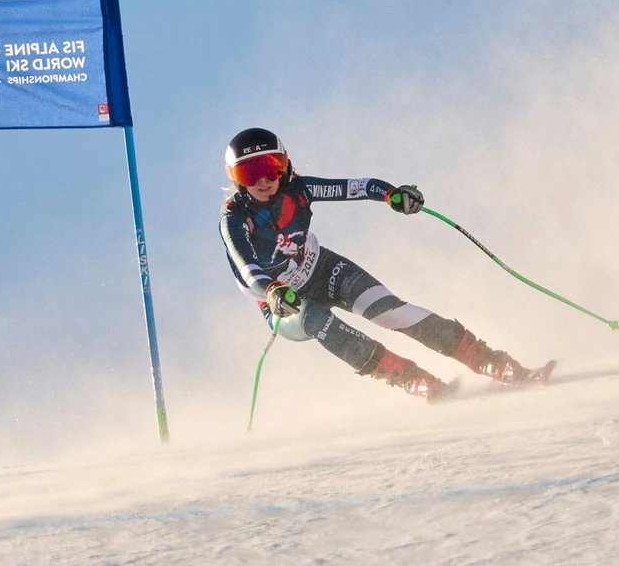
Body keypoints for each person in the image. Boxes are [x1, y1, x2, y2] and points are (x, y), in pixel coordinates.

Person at [219, 127, 546, 403]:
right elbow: (247, 268)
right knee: (317, 319)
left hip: (321, 269)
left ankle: (492, 363)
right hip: (282, 303)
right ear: (236, 180)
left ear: (285, 164)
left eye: (271, 167)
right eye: (249, 173)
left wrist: (392, 194)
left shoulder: (299, 190)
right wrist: (274, 289)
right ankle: (411, 378)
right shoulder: (234, 218)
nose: (263, 180)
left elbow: (357, 187)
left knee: (391, 312)